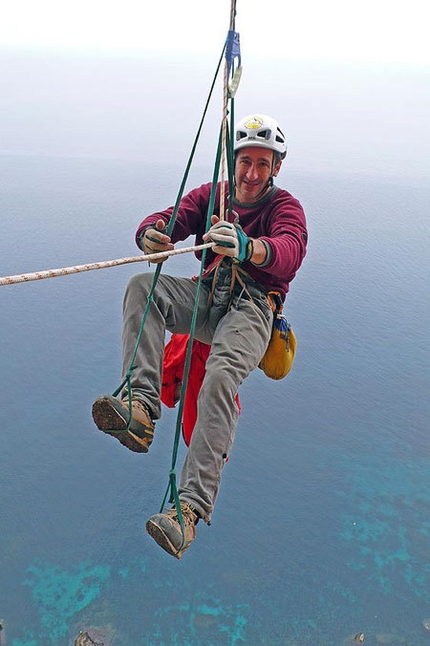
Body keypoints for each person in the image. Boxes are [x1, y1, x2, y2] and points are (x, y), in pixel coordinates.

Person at [92, 114, 308, 559]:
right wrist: (151, 234)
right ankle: (140, 407)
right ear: (233, 160)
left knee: (221, 374)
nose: (250, 174)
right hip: (211, 294)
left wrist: (249, 247)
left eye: (262, 164)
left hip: (251, 308)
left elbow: (289, 251)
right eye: (244, 161)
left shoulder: (285, 208)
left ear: (276, 169)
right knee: (141, 287)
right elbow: (174, 218)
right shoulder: (215, 195)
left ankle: (188, 509)